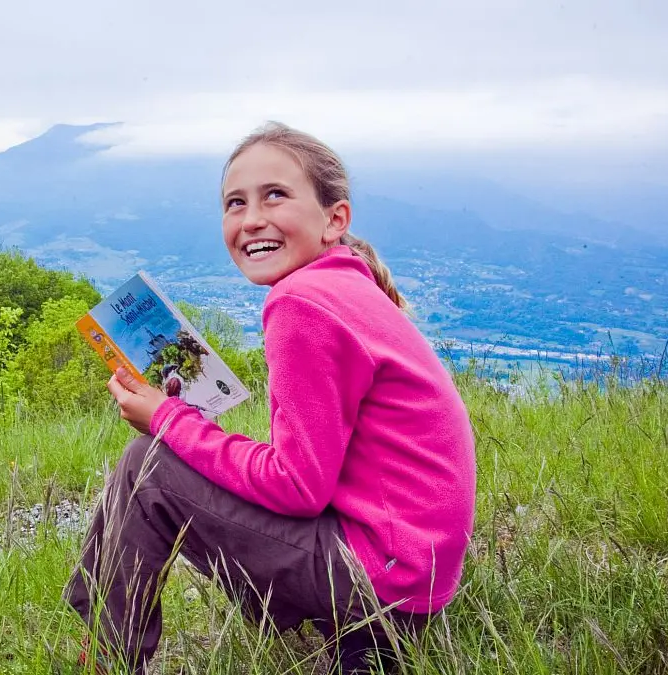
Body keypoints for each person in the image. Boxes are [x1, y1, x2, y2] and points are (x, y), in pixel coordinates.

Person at [65, 122, 477, 674]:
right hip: (413, 575)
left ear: (335, 219)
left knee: (151, 464)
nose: (251, 218)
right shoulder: (345, 282)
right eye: (235, 203)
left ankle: (109, 663)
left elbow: (297, 487)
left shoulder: (300, 303)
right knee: (177, 452)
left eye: (275, 195)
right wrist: (184, 419)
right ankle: (363, 648)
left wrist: (167, 419)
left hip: (380, 578)